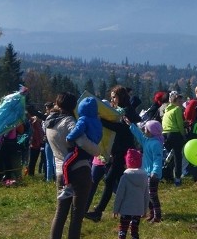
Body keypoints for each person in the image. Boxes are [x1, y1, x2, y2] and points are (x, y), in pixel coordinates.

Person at [46, 92, 101, 239]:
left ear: (57, 103)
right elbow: (83, 142)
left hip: (60, 171)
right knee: (77, 216)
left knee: (60, 214)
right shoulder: (70, 123)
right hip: (78, 170)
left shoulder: (49, 123)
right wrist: (99, 150)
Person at [86, 85, 138, 222]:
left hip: (123, 150)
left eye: (114, 96)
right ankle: (136, 207)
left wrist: (102, 121)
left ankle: (98, 212)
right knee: (118, 180)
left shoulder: (127, 110)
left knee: (110, 180)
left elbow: (121, 129)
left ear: (121, 96)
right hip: (116, 149)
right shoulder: (118, 110)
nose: (112, 99)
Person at [110, 148, 150, 239]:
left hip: (126, 209)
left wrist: (115, 209)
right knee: (134, 231)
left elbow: (120, 195)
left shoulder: (125, 177)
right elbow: (146, 195)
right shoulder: (144, 177)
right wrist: (144, 210)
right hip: (138, 210)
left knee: (122, 231)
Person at [58, 97, 102, 200]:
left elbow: (78, 130)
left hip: (80, 149)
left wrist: (69, 138)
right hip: (90, 149)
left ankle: (68, 187)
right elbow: (100, 135)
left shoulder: (83, 119)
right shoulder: (97, 121)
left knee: (66, 164)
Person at [130, 120, 163, 222]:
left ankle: (157, 216)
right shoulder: (146, 140)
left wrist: (155, 172)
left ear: (151, 131)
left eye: (145, 129)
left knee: (152, 195)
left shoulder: (156, 144)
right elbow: (139, 135)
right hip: (146, 173)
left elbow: (157, 159)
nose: (144, 131)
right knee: (147, 195)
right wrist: (131, 125)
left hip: (153, 174)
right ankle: (152, 213)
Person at [161, 91, 186, 186]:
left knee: (168, 157)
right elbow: (179, 124)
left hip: (165, 134)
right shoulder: (177, 109)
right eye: (179, 101)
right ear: (175, 101)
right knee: (177, 157)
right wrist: (183, 135)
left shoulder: (166, 110)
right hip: (175, 133)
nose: (181, 103)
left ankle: (167, 176)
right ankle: (178, 178)